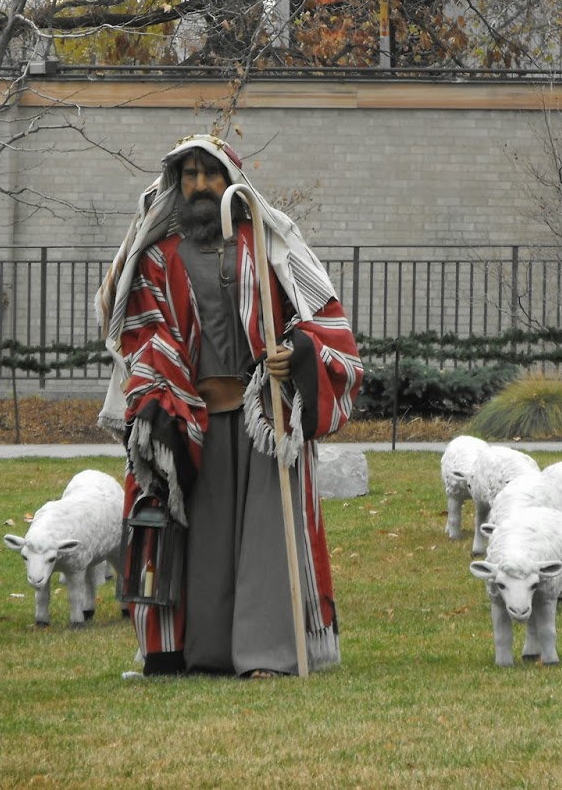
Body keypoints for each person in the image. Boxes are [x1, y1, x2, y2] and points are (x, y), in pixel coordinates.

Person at [95, 134, 364, 677]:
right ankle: (200, 652)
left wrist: (294, 352)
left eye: (209, 174)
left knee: (269, 544)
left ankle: (270, 654)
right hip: (191, 422)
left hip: (263, 421)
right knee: (201, 547)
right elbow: (144, 335)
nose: (198, 185)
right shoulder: (157, 258)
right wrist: (166, 400)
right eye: (188, 175)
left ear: (231, 181)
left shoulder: (269, 248)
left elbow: (323, 319)